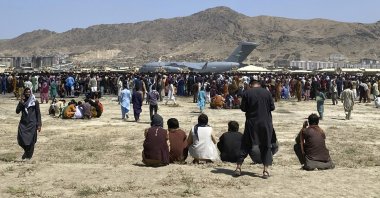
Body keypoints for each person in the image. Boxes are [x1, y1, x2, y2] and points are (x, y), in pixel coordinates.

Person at [235, 80, 275, 179]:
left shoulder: (247, 93)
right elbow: (272, 107)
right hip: (265, 123)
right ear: (259, 85)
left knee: (246, 144)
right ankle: (265, 171)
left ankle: (238, 168)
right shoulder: (267, 92)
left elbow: (243, 108)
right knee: (266, 145)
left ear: (250, 85)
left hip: (252, 123)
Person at [16, 88, 41, 160]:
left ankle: (29, 156)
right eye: (26, 92)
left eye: (29, 92)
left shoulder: (35, 102)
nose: (27, 94)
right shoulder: (22, 101)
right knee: (20, 140)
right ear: (24, 93)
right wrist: (21, 102)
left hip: (32, 123)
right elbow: (17, 111)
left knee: (31, 141)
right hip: (23, 123)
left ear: (31, 93)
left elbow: (38, 113)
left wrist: (39, 124)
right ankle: (26, 151)